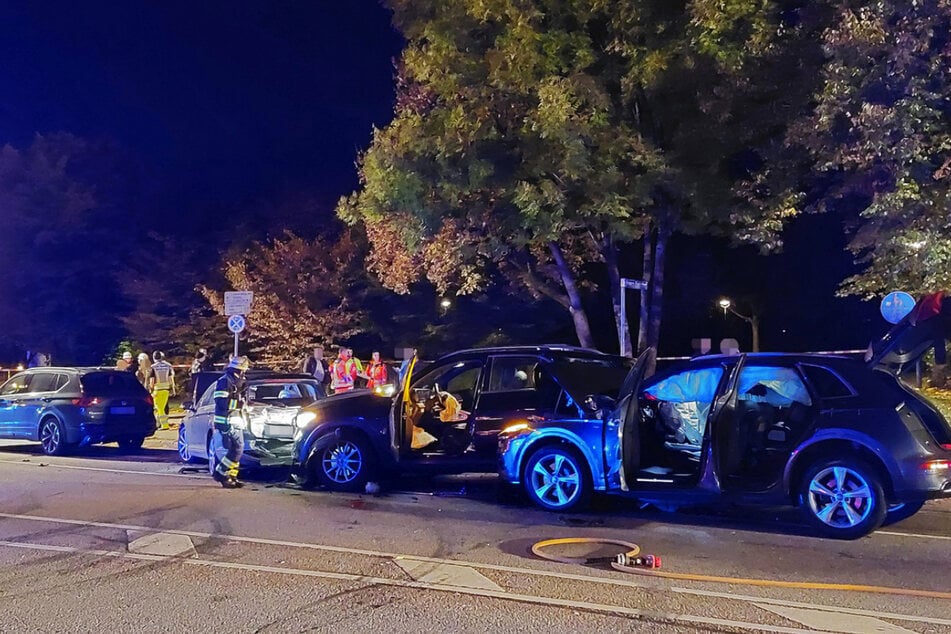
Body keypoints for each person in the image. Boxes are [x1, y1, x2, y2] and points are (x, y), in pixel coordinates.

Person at [212, 356, 250, 489]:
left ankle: (231, 476)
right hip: (226, 420)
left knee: (236, 449)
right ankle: (220, 472)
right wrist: (240, 404)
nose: (244, 372)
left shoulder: (239, 381)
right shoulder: (225, 381)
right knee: (238, 449)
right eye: (243, 369)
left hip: (236, 419)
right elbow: (221, 402)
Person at [148, 351, 176, 430]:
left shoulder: (153, 367)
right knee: (162, 407)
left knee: (159, 408)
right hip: (166, 389)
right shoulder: (167, 365)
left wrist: (150, 389)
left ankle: (164, 425)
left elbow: (152, 380)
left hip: (157, 390)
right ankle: (161, 424)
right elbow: (171, 378)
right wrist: (173, 389)